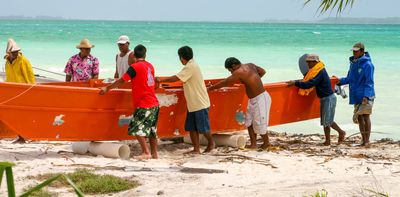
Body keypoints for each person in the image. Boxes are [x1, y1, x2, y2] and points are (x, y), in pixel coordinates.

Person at [99, 44, 159, 159]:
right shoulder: (150, 66)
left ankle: (146, 152)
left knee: (135, 127)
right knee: (152, 130)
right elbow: (152, 82)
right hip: (154, 103)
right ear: (145, 55)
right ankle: (154, 153)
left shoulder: (134, 67)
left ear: (133, 56)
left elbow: (121, 80)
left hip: (144, 103)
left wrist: (107, 88)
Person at [155, 46, 214, 154]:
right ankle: (196, 149)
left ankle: (211, 143)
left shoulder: (190, 66)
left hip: (200, 102)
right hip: (193, 103)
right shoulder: (191, 65)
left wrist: (161, 79)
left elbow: (177, 78)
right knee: (191, 127)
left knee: (203, 128)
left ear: (182, 57)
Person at [208, 57, 271, 150]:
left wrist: (210, 88)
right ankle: (253, 144)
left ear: (233, 66)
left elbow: (225, 82)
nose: (230, 72)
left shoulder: (238, 72)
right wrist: (251, 81)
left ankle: (266, 143)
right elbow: (262, 72)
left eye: (230, 70)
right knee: (249, 122)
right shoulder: (250, 65)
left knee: (260, 123)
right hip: (253, 99)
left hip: (261, 98)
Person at [287, 54, 346, 146]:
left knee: (327, 121)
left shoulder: (320, 72)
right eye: (307, 62)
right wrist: (298, 81)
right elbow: (309, 80)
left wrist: (295, 83)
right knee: (325, 121)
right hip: (324, 98)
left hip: (329, 98)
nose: (308, 64)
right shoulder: (316, 71)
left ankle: (341, 132)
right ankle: (328, 141)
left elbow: (310, 84)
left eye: (309, 62)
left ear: (315, 62)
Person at [337, 42, 375, 146]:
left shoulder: (368, 65)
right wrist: (338, 81)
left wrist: (366, 96)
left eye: (356, 51)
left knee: (366, 116)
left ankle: (367, 141)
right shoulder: (353, 63)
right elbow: (350, 78)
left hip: (366, 95)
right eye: (353, 51)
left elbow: (369, 81)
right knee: (359, 117)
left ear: (362, 51)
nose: (354, 53)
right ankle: (363, 140)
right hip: (356, 94)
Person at [4, 38, 35, 143]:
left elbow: (30, 75)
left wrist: (32, 89)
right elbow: (8, 77)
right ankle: (20, 135)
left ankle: (24, 136)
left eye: (16, 52)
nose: (15, 54)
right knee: (14, 115)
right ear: (9, 52)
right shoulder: (7, 63)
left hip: (23, 90)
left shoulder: (23, 60)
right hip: (12, 92)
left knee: (24, 115)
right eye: (13, 52)